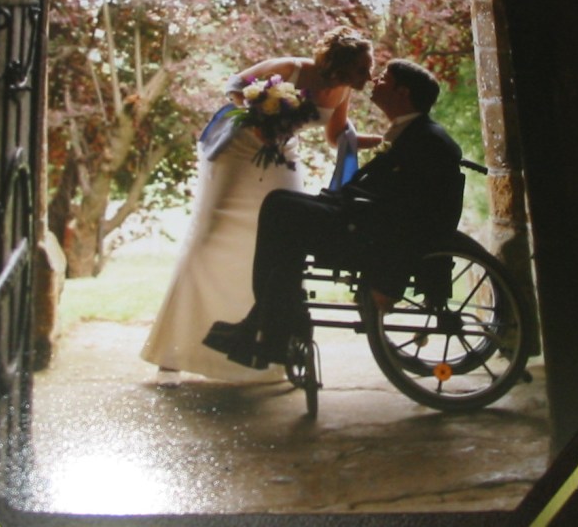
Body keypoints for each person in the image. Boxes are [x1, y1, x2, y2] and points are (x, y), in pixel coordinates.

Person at [140, 26, 378, 384]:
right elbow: (235, 85)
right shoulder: (291, 68)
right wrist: (259, 119)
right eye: (362, 68)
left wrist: (387, 139)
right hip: (239, 152)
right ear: (340, 64)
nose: (368, 76)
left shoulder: (344, 91)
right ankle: (173, 353)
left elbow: (336, 136)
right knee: (211, 239)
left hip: (281, 157)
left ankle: (268, 343)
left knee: (281, 240)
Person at [202, 59, 464, 369]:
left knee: (283, 210)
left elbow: (409, 216)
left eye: (383, 79)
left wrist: (387, 278)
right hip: (363, 218)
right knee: (280, 205)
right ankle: (266, 327)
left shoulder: (425, 140)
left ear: (402, 92)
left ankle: (267, 331)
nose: (374, 81)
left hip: (369, 235)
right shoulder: (412, 131)